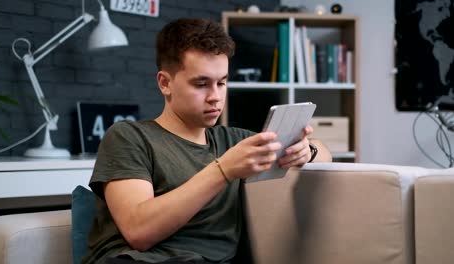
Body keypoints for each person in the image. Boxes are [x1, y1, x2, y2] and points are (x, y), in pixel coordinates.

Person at [82, 18, 332, 264]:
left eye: (221, 83)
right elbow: (139, 232)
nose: (215, 97)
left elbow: (324, 152)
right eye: (201, 84)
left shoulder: (233, 141)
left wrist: (305, 150)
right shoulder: (129, 137)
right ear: (165, 83)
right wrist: (223, 170)